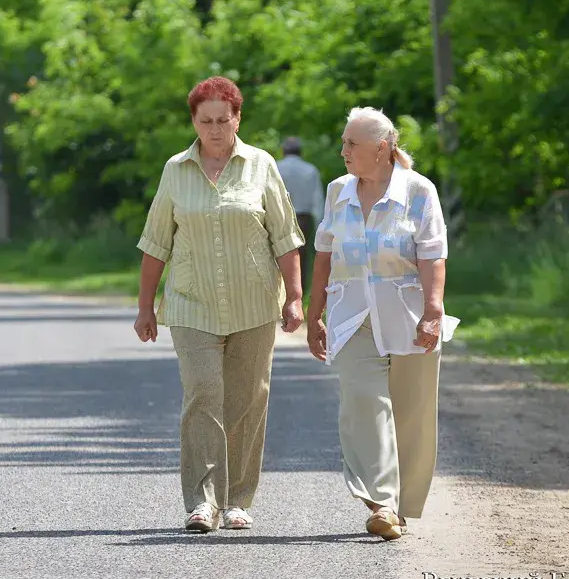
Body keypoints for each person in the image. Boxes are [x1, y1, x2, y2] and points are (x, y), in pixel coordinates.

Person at [134, 76, 305, 533]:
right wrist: (145, 307)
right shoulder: (176, 169)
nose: (214, 129)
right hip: (191, 304)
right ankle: (202, 502)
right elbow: (155, 243)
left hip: (253, 303)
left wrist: (295, 298)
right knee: (203, 395)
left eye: (222, 120)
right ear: (194, 121)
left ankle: (237, 501)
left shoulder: (261, 165)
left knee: (248, 400)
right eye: (205, 120)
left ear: (237, 119)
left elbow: (286, 237)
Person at [305, 107, 458, 540]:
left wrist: (433, 312)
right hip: (352, 314)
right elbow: (324, 254)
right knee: (362, 404)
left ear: (382, 149)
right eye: (344, 142)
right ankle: (382, 503)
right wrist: (314, 315)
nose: (343, 151)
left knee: (411, 411)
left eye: (351, 144)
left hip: (407, 315)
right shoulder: (338, 191)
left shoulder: (418, 190)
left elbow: (433, 254)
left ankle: (401, 506)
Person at [276, 136, 325, 283]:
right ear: (300, 152)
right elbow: (317, 200)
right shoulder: (310, 170)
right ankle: (299, 296)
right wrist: (320, 228)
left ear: (283, 151)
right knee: (301, 260)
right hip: (303, 220)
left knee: (278, 257)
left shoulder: (276, 167)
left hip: (279, 217)